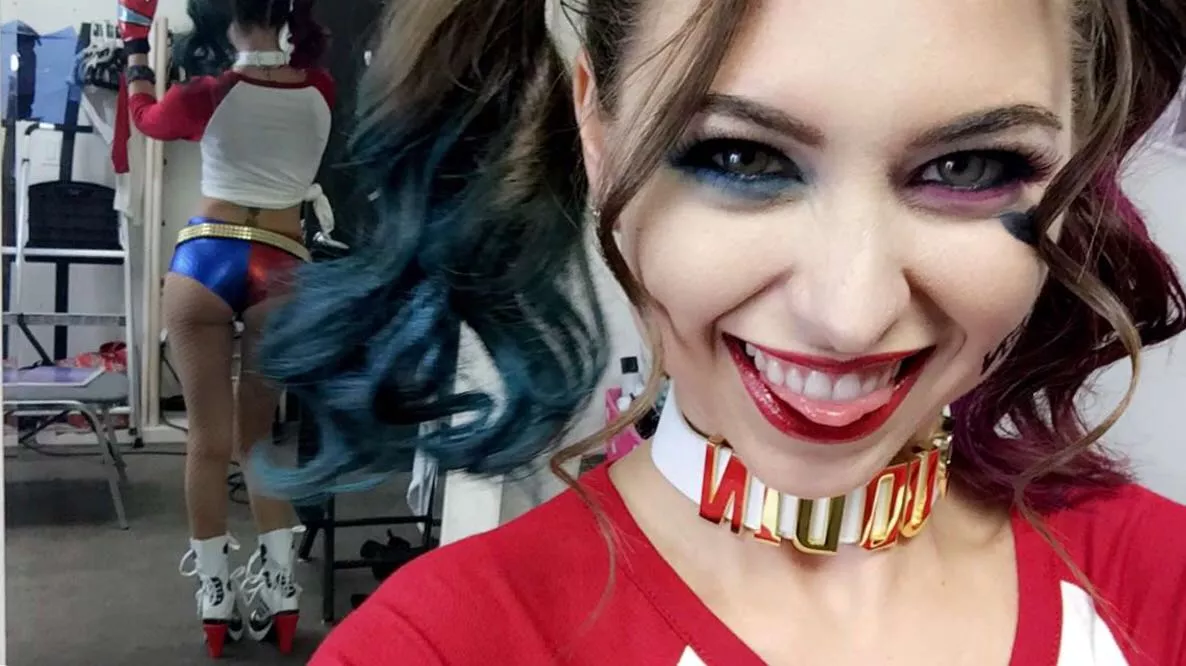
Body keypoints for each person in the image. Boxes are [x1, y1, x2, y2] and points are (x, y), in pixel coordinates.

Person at [267, 0, 1186, 663]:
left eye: (970, 165)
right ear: (597, 131)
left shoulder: (1161, 585)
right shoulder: (440, 645)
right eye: (739, 156)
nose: (850, 314)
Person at [116, 0, 333, 657]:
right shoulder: (322, 90)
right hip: (282, 267)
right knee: (257, 442)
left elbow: (145, 119)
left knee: (206, 443)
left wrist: (136, 50)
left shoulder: (208, 93)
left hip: (205, 260)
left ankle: (214, 596)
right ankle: (282, 592)